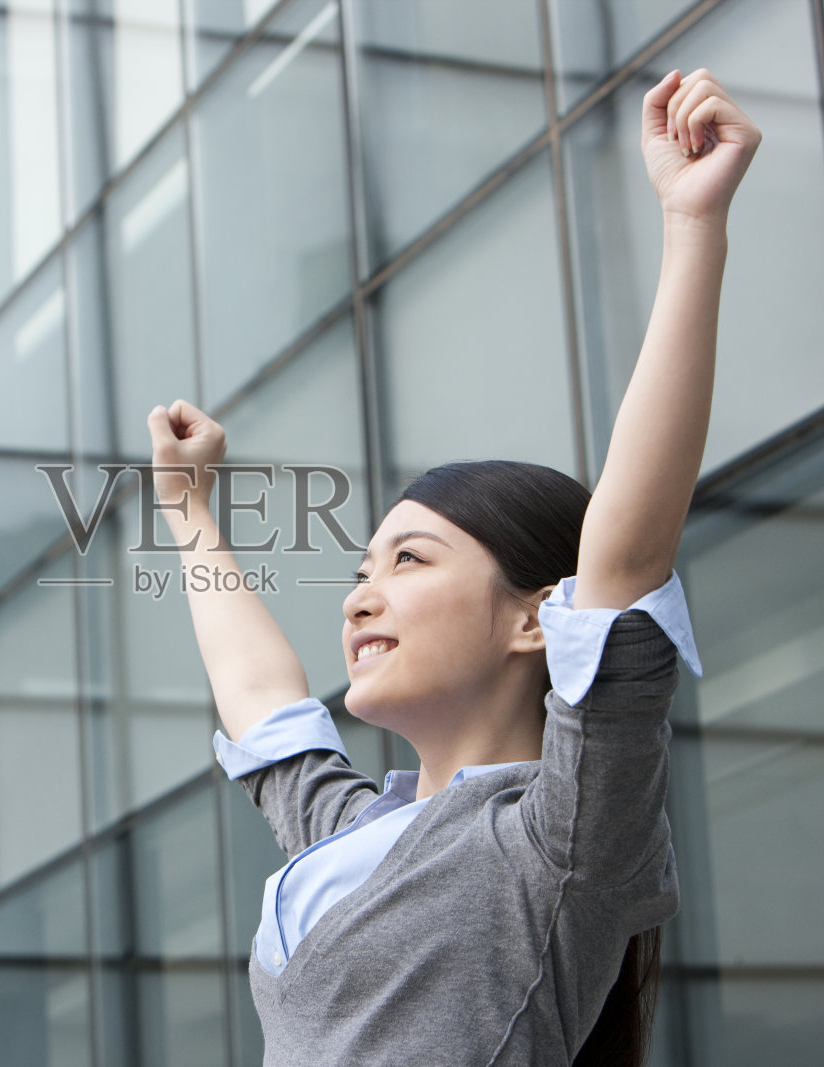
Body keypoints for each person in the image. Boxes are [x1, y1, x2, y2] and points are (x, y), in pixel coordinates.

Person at [144, 69, 759, 1065]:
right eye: (361, 566)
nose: (360, 594)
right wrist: (183, 505)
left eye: (408, 558)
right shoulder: (349, 832)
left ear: (537, 617)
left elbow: (627, 550)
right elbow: (259, 695)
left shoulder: (556, 841)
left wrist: (694, 227)